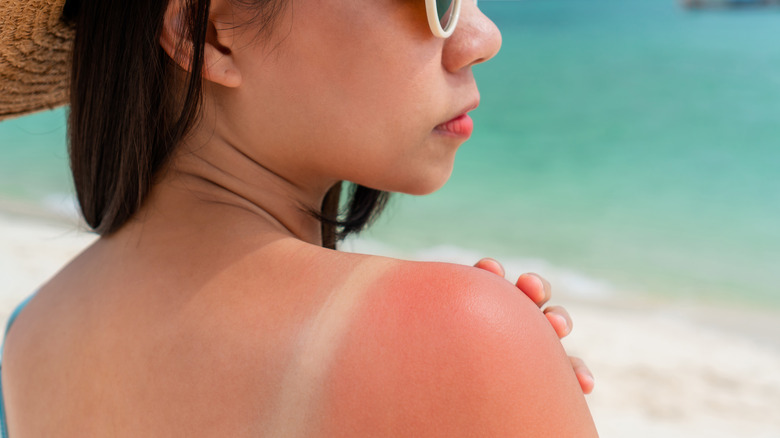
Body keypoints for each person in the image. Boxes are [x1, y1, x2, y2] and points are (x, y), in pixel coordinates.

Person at [0, 0, 598, 435]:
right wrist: (493, 362)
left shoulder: (27, 337)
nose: (482, 36)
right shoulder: (466, 331)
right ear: (210, 32)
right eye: (435, 2)